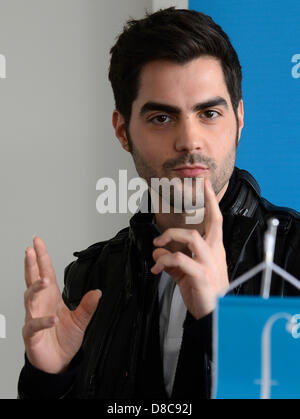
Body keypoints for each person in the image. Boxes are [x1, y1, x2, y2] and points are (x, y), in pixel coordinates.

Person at [18, 7, 300, 400]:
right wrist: (51, 378)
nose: (189, 140)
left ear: (238, 119)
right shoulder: (92, 276)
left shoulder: (293, 256)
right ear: (122, 130)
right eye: (162, 118)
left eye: (209, 113)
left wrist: (222, 325)